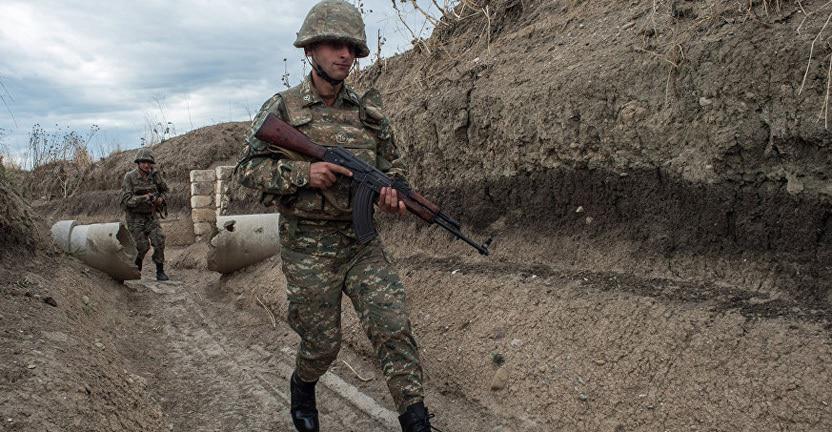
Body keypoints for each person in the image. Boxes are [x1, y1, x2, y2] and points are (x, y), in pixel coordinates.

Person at [235, 1, 437, 431]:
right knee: (322, 345)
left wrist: (391, 195)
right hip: (307, 247)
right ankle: (303, 385)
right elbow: (246, 170)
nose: (344, 54)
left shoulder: (369, 114)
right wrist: (302, 174)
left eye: (351, 47)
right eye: (333, 45)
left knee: (393, 326)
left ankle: (416, 420)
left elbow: (394, 170)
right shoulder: (283, 109)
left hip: (361, 244)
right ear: (310, 49)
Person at [120, 148, 170, 281]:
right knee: (142, 246)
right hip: (134, 217)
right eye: (143, 162)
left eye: (149, 162)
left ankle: (160, 271)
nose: (147, 165)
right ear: (138, 163)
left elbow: (166, 191)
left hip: (151, 215)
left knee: (159, 240)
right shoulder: (129, 177)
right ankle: (137, 266)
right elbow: (126, 201)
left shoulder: (155, 176)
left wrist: (160, 199)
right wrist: (144, 198)